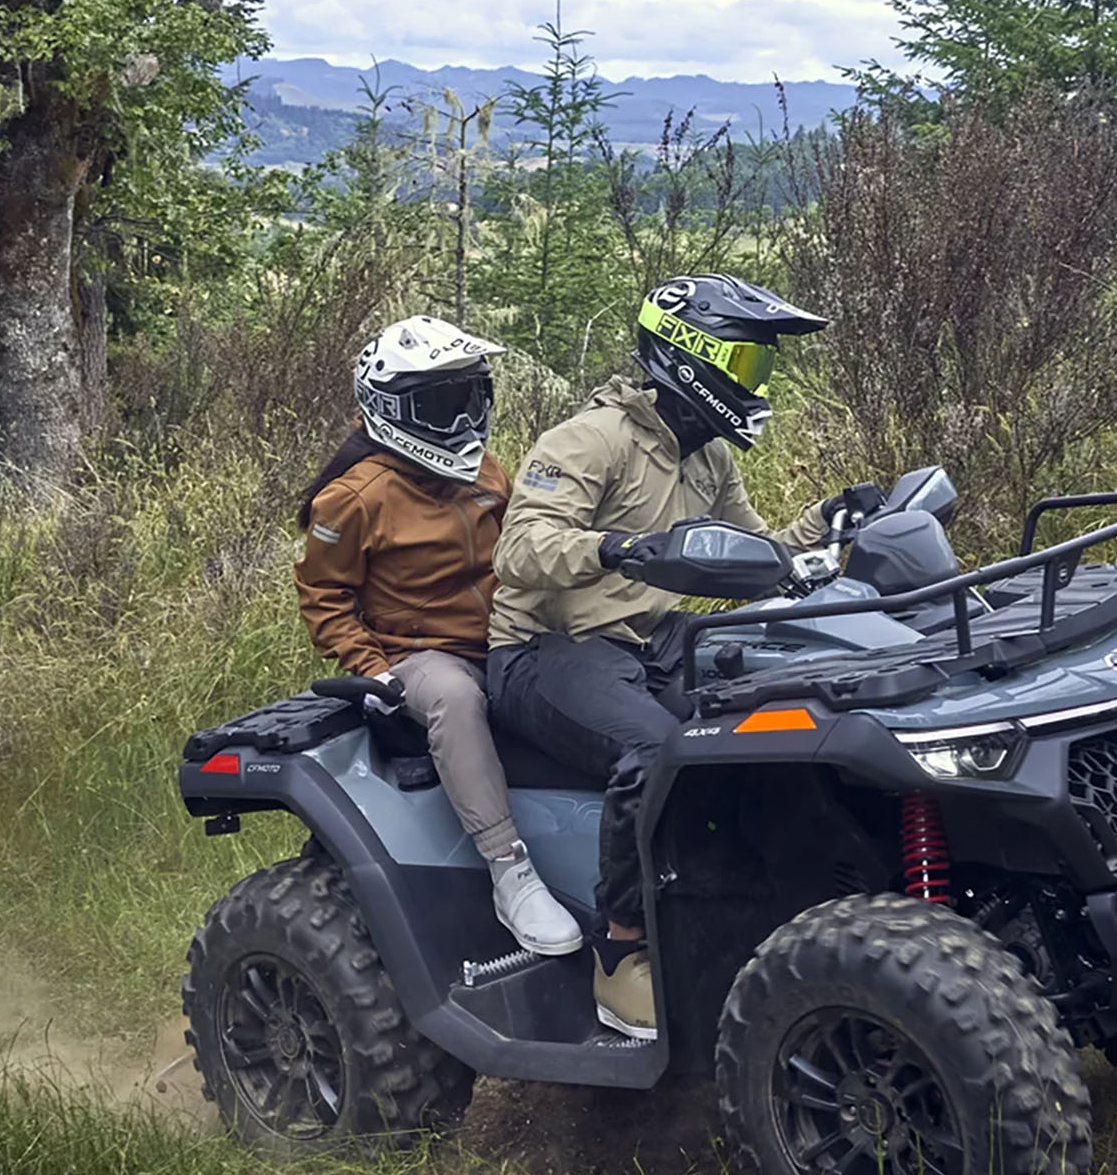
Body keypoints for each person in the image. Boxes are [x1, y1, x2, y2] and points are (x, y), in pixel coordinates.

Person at [487, 273, 874, 1040]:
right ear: (691, 357)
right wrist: (620, 549)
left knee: (775, 721)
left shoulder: (706, 456)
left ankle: (765, 912)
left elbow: (755, 555)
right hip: (547, 648)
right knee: (657, 752)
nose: (756, 381)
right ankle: (621, 951)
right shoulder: (590, 440)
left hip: (650, 638)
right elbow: (520, 549)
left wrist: (828, 522)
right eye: (746, 364)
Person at [295, 315, 583, 959]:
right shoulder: (353, 499)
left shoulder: (488, 473)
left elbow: (526, 554)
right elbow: (324, 595)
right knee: (456, 700)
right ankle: (510, 871)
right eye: (442, 405)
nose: (461, 422)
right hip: (420, 653)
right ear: (392, 410)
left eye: (472, 400)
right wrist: (373, 669)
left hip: (508, 635)